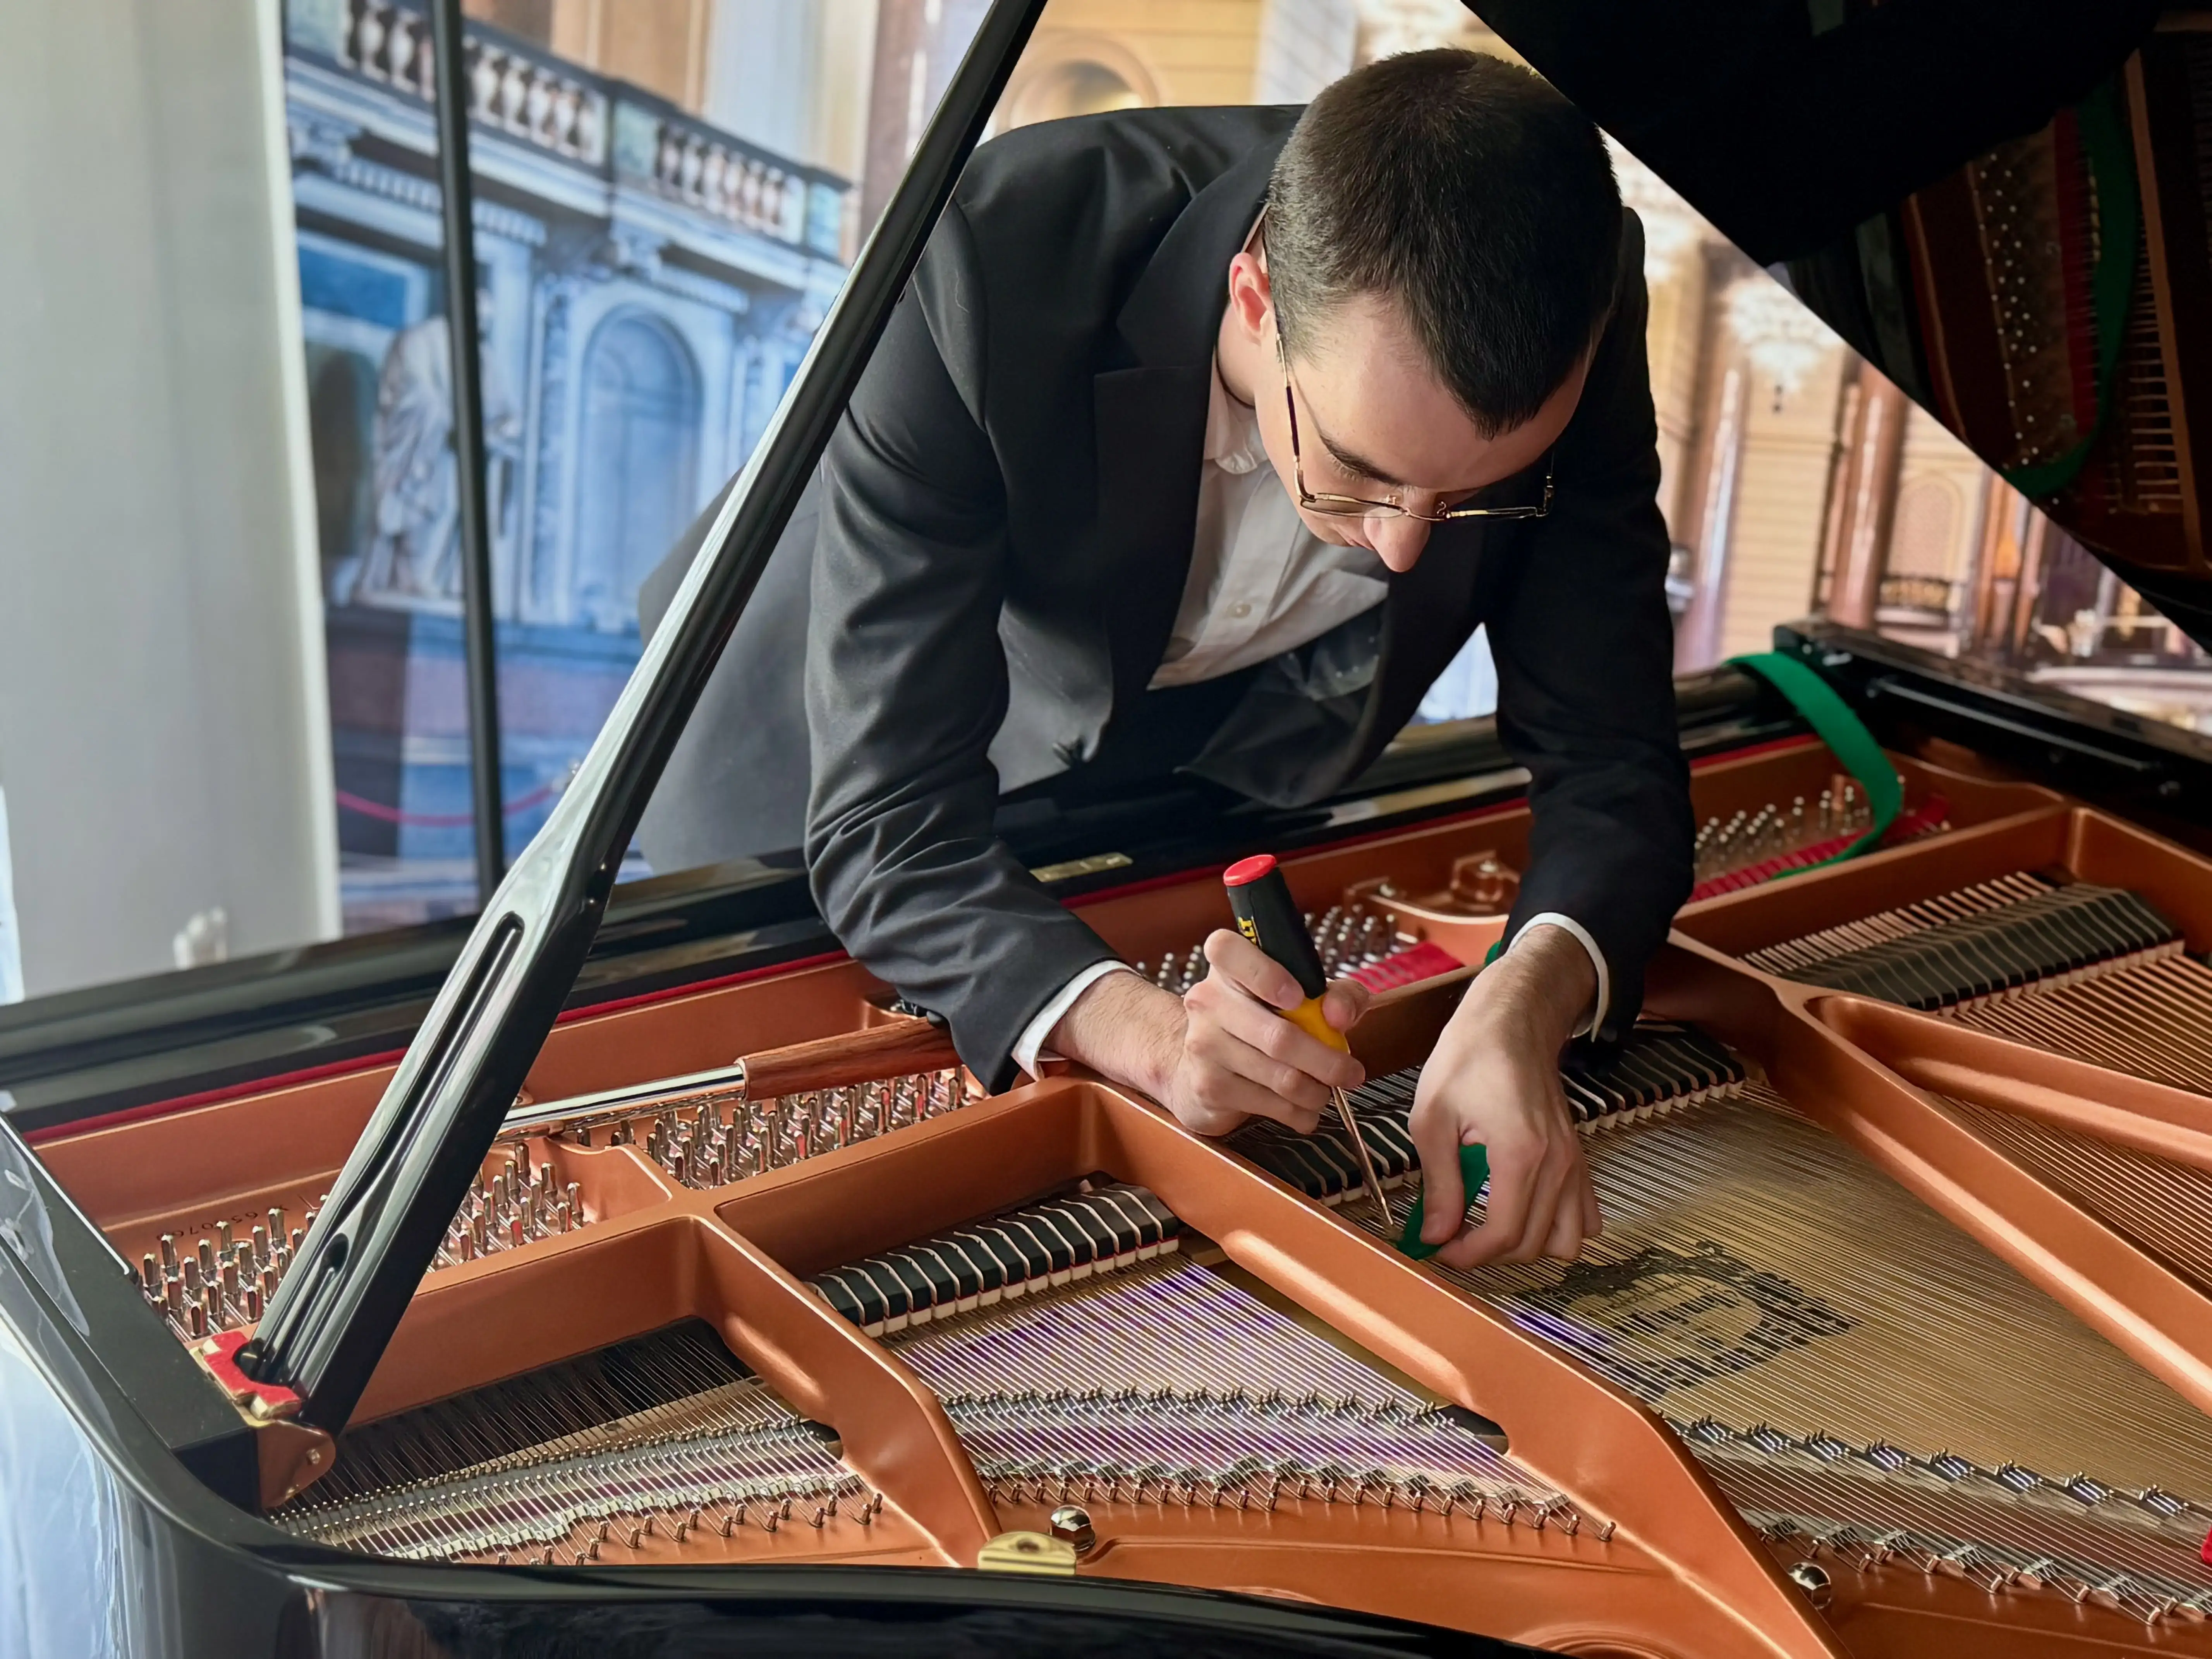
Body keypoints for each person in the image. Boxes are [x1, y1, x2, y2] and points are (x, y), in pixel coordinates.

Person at [646, 50, 1692, 1269]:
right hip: (803, 775)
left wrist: (1526, 995)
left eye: (1475, 494)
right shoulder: (983, 261)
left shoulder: (1576, 294)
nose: (1406, 551)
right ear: (1256, 297)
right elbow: (887, 822)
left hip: (1169, 760)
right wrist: (1146, 1037)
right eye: (1358, 469)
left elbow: (1614, 762)